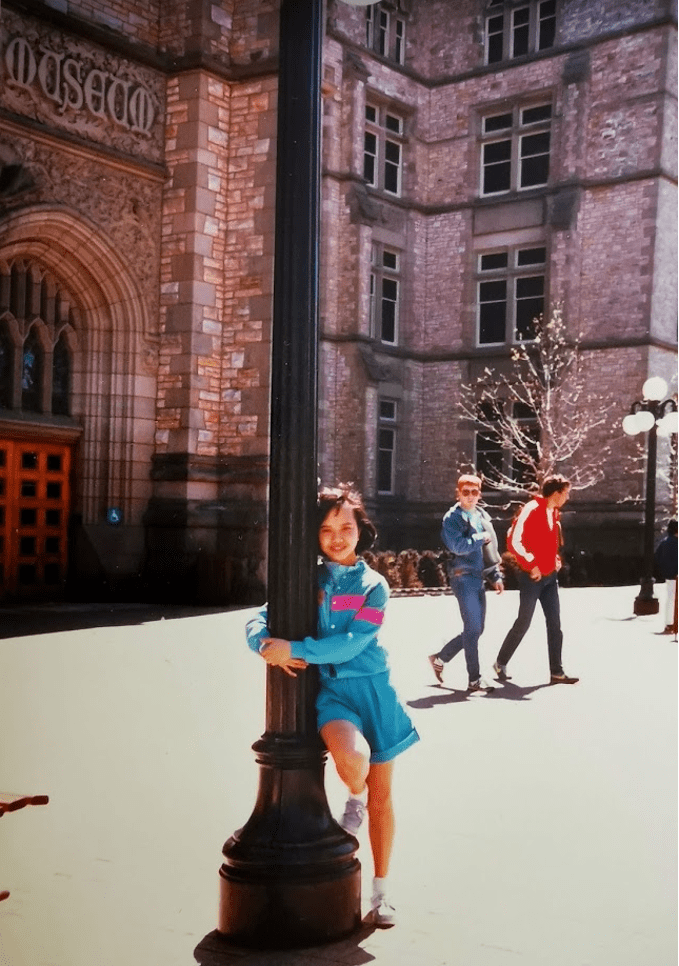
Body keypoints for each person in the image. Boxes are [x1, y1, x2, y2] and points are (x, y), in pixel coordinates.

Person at [246, 483, 419, 928]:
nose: (337, 537)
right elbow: (260, 617)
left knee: (384, 800)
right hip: (335, 696)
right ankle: (353, 796)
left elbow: (351, 643)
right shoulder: (306, 579)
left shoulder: (374, 586)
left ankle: (382, 893)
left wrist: (296, 648)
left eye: (345, 526)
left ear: (361, 529)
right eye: (326, 530)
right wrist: (262, 644)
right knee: (352, 759)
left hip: (376, 694)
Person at [493, 474, 579, 684]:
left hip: (550, 578)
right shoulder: (532, 508)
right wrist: (532, 565)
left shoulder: (553, 512)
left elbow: (546, 543)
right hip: (532, 578)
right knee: (524, 622)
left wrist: (555, 559)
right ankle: (500, 662)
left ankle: (556, 672)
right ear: (556, 493)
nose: (567, 497)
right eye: (566, 493)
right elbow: (514, 540)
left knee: (555, 624)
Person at [428, 473, 504, 691]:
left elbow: (490, 551)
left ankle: (440, 659)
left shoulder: (481, 515)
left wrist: (496, 575)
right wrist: (480, 538)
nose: (470, 497)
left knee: (477, 629)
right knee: (473, 628)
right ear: (458, 494)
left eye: (474, 492)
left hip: (479, 577)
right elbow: (457, 546)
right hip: (462, 577)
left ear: (479, 494)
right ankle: (474, 680)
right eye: (466, 492)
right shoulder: (452, 518)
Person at [654, 519, 678, 634]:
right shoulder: (675, 543)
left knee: (670, 598)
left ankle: (669, 624)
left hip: (669, 575)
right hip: (675, 574)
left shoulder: (665, 542)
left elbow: (657, 557)